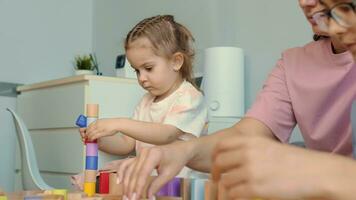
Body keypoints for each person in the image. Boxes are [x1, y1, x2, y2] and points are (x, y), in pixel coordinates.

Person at [114, 0, 356, 199]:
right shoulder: (293, 64)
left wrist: (309, 169)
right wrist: (182, 151)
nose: (305, 2)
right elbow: (246, 135)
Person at [72, 15, 208, 190]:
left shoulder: (189, 97)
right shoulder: (146, 101)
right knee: (102, 177)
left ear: (176, 61)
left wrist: (119, 123)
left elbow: (166, 134)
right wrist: (99, 138)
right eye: (137, 71)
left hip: (179, 184)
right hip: (149, 180)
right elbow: (126, 143)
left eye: (148, 68)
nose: (142, 78)